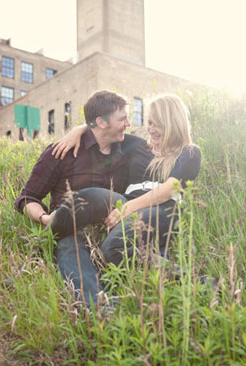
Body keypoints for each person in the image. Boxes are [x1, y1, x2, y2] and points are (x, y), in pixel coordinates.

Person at [46, 94, 201, 283]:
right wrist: (78, 130)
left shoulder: (189, 152)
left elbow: (170, 189)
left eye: (156, 124)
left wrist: (128, 209)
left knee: (113, 249)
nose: (150, 129)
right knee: (86, 197)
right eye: (149, 123)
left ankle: (192, 280)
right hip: (126, 202)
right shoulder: (138, 145)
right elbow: (102, 129)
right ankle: (49, 232)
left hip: (163, 209)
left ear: (171, 122)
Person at [14, 90, 149, 307]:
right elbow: (27, 197)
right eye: (122, 118)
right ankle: (101, 307)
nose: (128, 123)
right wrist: (46, 219)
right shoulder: (62, 151)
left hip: (112, 225)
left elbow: (164, 146)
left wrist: (82, 128)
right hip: (69, 226)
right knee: (68, 246)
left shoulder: (130, 147)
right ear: (101, 123)